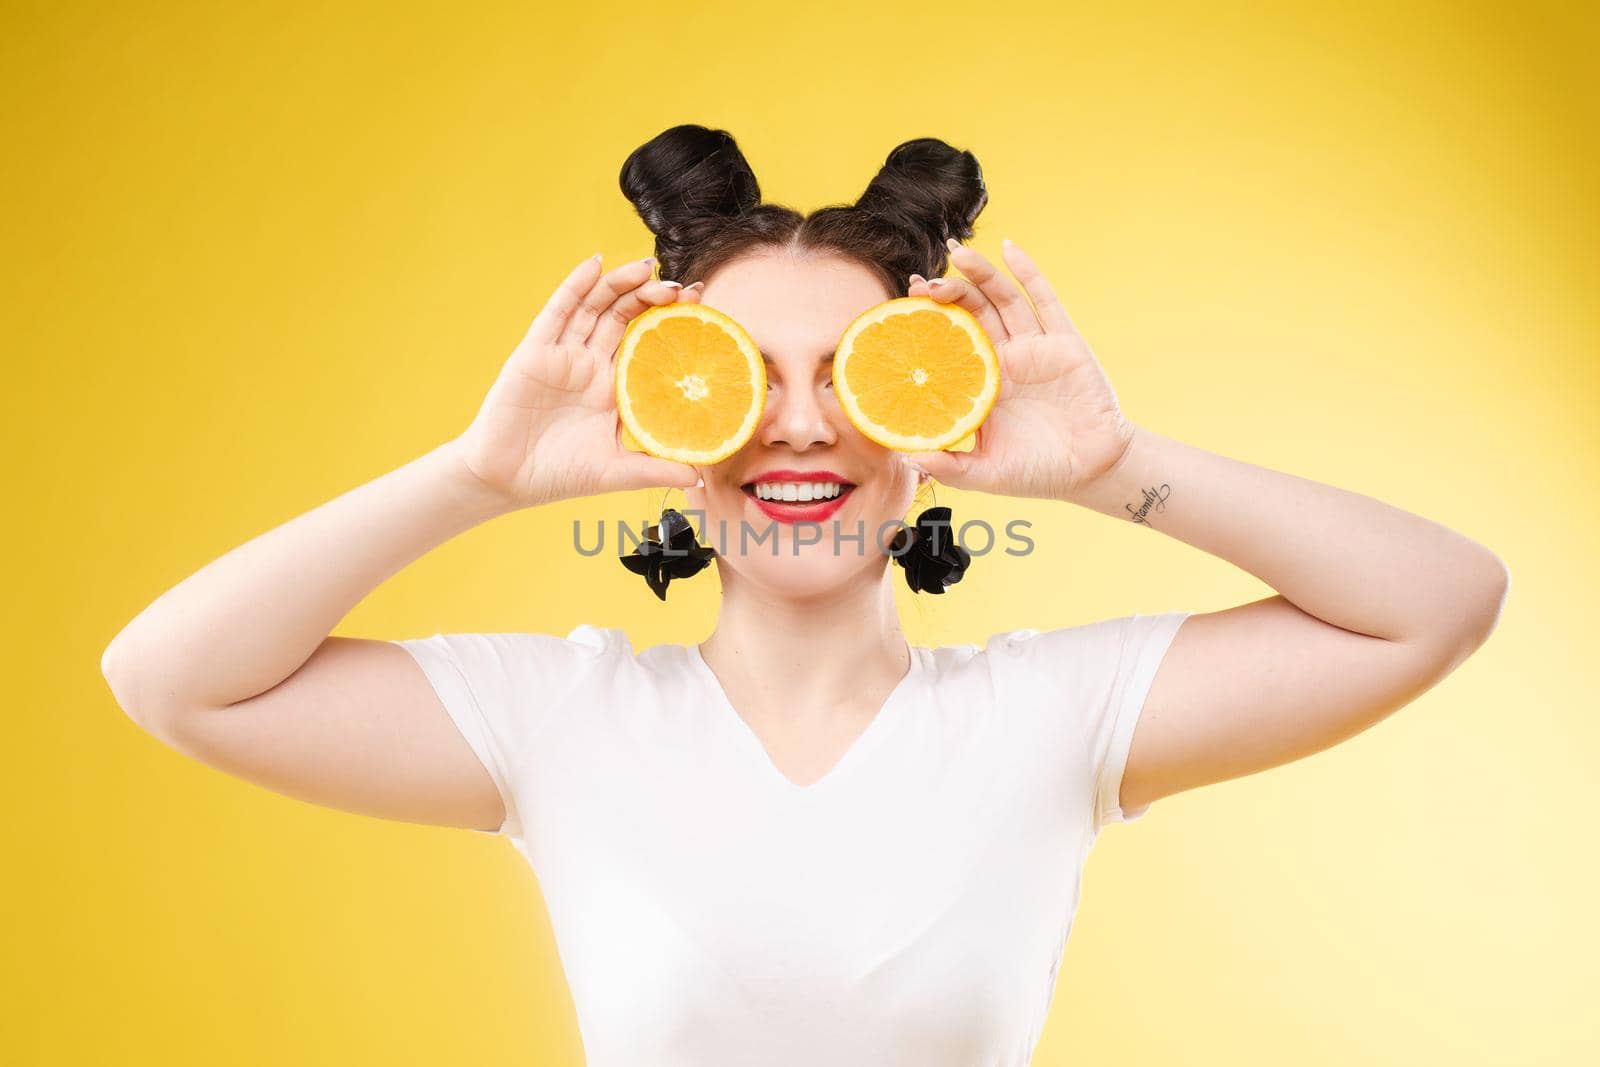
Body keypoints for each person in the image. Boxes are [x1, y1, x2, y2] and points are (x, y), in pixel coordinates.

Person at [100, 124, 1509, 1066]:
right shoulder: (564, 719)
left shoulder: (1052, 717)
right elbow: (170, 678)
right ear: (668, 415)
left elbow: (1436, 600)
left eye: (853, 372)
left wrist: (1113, 467)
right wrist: (481, 475)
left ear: (928, 412)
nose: (799, 427)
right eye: (742, 379)